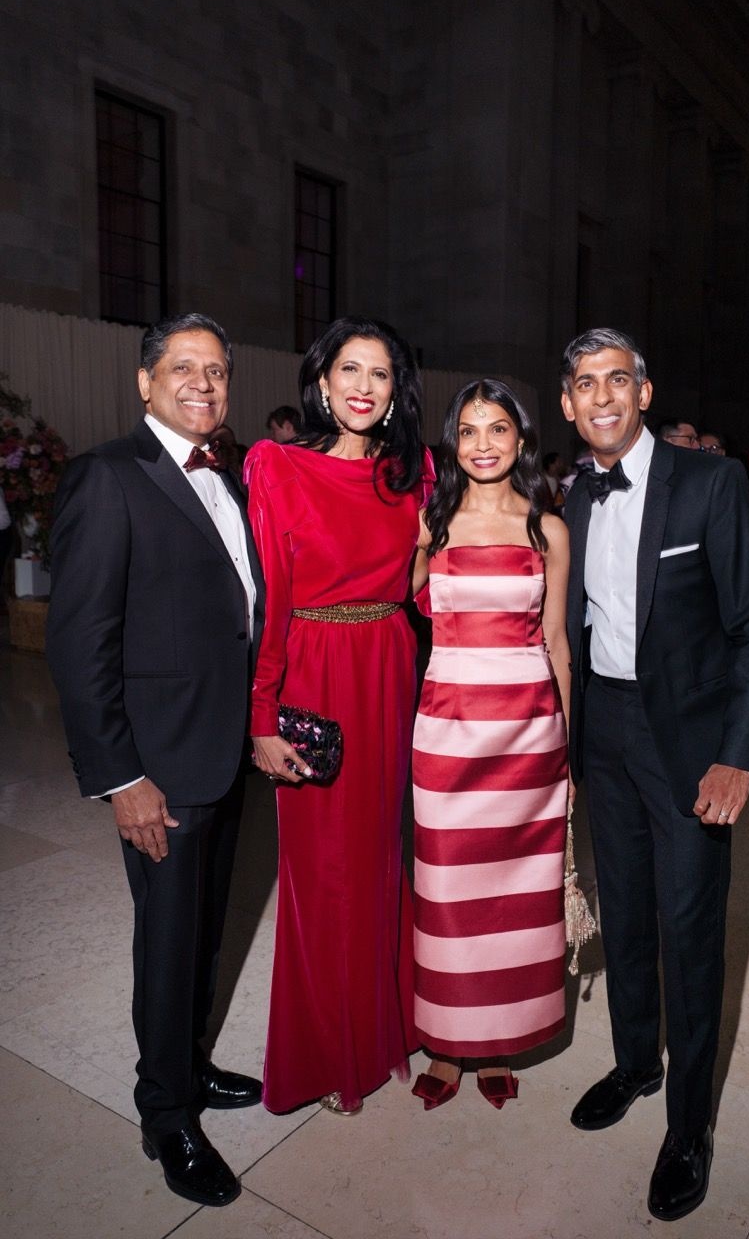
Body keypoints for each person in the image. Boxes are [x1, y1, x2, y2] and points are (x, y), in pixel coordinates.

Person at [46, 314, 266, 1209]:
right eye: (184, 369)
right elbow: (79, 641)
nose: (204, 384)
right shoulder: (109, 477)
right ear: (145, 382)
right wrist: (122, 777)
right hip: (160, 766)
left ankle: (191, 1063)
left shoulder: (238, 476)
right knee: (167, 943)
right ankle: (164, 1114)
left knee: (207, 928)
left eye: (217, 371)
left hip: (223, 753)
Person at [560, 328, 749, 1222]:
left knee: (688, 932)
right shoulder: (570, 492)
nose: (602, 395)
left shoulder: (711, 483)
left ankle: (689, 1127)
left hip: (688, 743)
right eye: (584, 383)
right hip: (604, 733)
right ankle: (633, 1063)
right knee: (626, 910)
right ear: (569, 405)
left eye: (618, 379)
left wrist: (735, 755)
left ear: (643, 394)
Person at [245, 315, 431, 1116]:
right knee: (318, 874)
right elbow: (270, 601)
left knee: (380, 859)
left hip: (388, 666)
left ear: (395, 392)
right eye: (348, 370)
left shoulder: (414, 471)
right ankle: (326, 1051)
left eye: (379, 374)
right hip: (314, 673)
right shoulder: (277, 466)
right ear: (321, 383)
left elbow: (424, 590)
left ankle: (381, 1028)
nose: (362, 386)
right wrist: (261, 716)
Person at [409, 380, 572, 1111]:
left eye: (497, 429)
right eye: (469, 430)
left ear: (520, 440)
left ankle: (500, 1041)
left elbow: (557, 641)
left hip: (527, 733)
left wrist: (566, 745)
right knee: (447, 889)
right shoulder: (429, 523)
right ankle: (447, 1043)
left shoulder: (548, 528)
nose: (482, 444)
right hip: (446, 726)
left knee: (516, 896)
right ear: (453, 442)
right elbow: (395, 603)